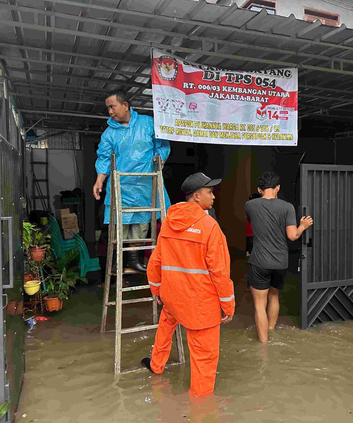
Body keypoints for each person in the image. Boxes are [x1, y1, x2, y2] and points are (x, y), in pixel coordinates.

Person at [141, 172, 235, 397]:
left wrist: (156, 289)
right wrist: (228, 305)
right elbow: (220, 273)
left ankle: (156, 365)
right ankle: (201, 406)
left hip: (172, 295)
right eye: (209, 192)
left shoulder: (169, 221)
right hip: (200, 305)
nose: (213, 196)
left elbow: (155, 262)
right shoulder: (210, 227)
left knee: (166, 326)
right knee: (204, 356)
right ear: (196, 196)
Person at [93, 90, 171, 272]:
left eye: (112, 107)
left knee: (141, 224)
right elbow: (104, 158)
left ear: (125, 105)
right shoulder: (109, 133)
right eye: (108, 109)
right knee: (120, 227)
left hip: (145, 185)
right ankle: (118, 262)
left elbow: (162, 145)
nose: (110, 112)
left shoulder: (148, 123)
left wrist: (159, 157)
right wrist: (99, 181)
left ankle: (134, 260)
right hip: (121, 186)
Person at [245, 172, 313, 343]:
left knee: (259, 304)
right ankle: (271, 330)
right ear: (278, 188)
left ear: (259, 189)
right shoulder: (287, 207)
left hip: (259, 261)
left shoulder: (250, 205)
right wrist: (303, 226)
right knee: (274, 296)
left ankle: (264, 343)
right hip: (280, 262)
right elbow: (292, 236)